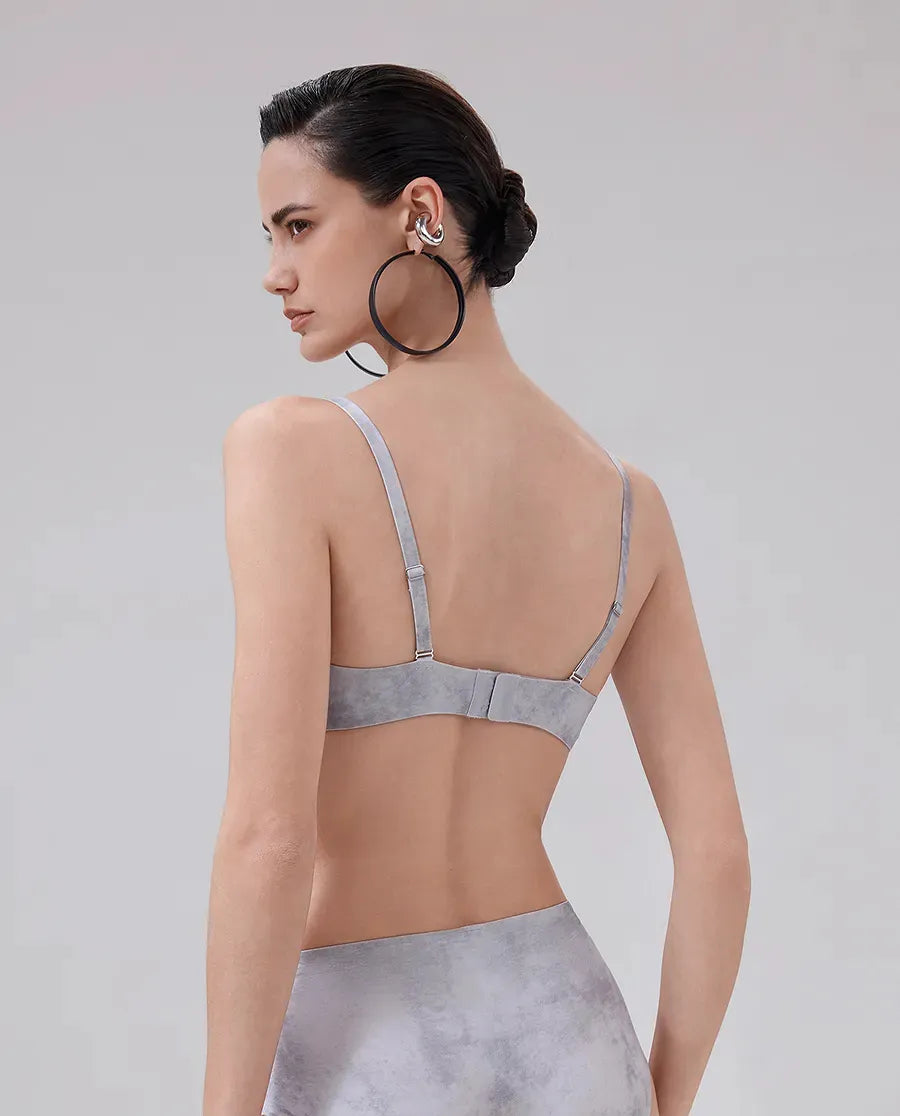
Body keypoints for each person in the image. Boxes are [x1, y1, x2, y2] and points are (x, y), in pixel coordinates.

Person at [203, 63, 751, 1116]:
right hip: (574, 1039)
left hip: (365, 1050)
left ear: (418, 210)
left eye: (299, 226)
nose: (276, 273)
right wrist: (660, 1100)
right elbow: (718, 855)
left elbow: (268, 836)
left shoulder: (291, 450)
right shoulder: (628, 506)